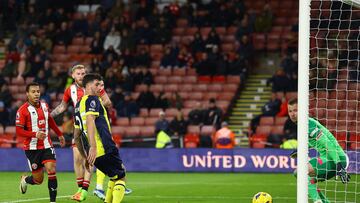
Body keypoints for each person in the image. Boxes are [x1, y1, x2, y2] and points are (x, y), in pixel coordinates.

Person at [51, 64, 112, 200]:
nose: (81, 76)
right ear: (73, 75)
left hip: (94, 126)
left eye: (83, 73)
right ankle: (80, 188)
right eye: (78, 73)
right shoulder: (69, 90)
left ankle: (87, 190)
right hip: (79, 126)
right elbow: (62, 107)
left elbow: (108, 102)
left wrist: (98, 100)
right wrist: (48, 116)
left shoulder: (93, 86)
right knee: (78, 159)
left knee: (93, 158)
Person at [73, 73, 126, 202]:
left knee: (115, 176)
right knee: (121, 176)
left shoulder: (78, 105)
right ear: (88, 85)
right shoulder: (93, 100)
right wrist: (93, 147)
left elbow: (76, 135)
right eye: (97, 84)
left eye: (101, 85)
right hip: (103, 147)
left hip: (93, 154)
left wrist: (85, 157)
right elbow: (91, 120)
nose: (100, 88)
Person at [287, 98, 350, 203]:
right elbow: (316, 143)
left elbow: (328, 145)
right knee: (302, 178)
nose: (292, 114)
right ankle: (324, 201)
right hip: (328, 159)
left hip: (337, 158)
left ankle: (317, 201)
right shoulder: (303, 125)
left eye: (295, 110)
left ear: (302, 110)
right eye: (290, 111)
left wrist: (339, 165)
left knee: (301, 172)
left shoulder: (309, 124)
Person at [17, 82, 65, 203]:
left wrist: (59, 134)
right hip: (32, 149)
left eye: (38, 91)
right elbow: (19, 131)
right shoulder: (22, 110)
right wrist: (35, 134)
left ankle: (52, 201)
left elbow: (50, 119)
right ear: (27, 94)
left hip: (46, 145)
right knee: (38, 180)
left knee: (51, 170)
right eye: (33, 92)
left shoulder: (44, 105)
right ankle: (25, 179)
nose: (36, 94)